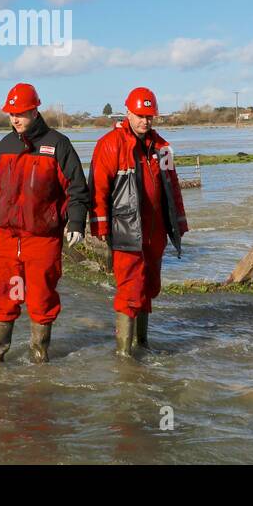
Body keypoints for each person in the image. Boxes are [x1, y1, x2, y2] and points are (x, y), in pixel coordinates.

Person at [0, 83, 89, 363]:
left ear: (35, 110)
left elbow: (77, 188)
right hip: (7, 239)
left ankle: (39, 361)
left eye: (21, 113)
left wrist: (76, 222)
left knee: (41, 299)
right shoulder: (4, 147)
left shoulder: (58, 144)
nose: (15, 119)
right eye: (11, 113)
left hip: (43, 239)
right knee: (3, 298)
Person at [90, 87, 188, 356]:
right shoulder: (109, 144)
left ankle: (142, 344)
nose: (146, 121)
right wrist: (100, 225)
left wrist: (179, 224)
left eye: (150, 117)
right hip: (126, 231)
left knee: (149, 288)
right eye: (141, 116)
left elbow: (174, 187)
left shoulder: (163, 147)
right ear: (128, 113)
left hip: (155, 232)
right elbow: (98, 188)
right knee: (130, 291)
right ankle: (124, 354)